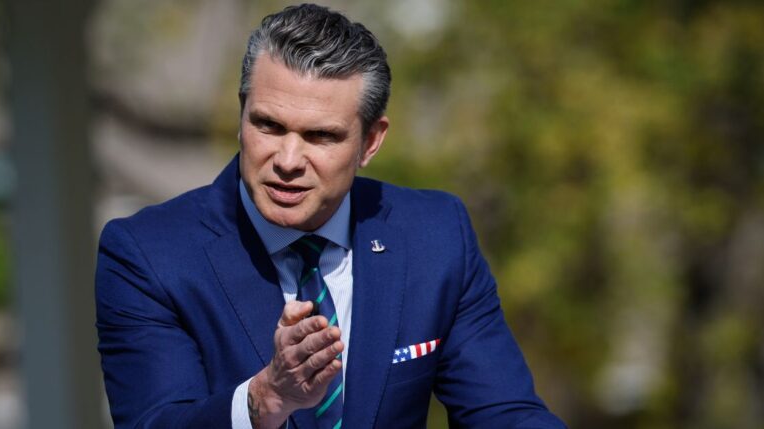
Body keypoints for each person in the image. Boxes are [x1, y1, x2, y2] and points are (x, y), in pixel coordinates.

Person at [96, 4, 566, 428]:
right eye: (269, 125)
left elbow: (505, 414)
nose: (287, 159)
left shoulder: (435, 235)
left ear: (371, 142)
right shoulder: (149, 255)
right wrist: (265, 399)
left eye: (320, 136)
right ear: (242, 116)